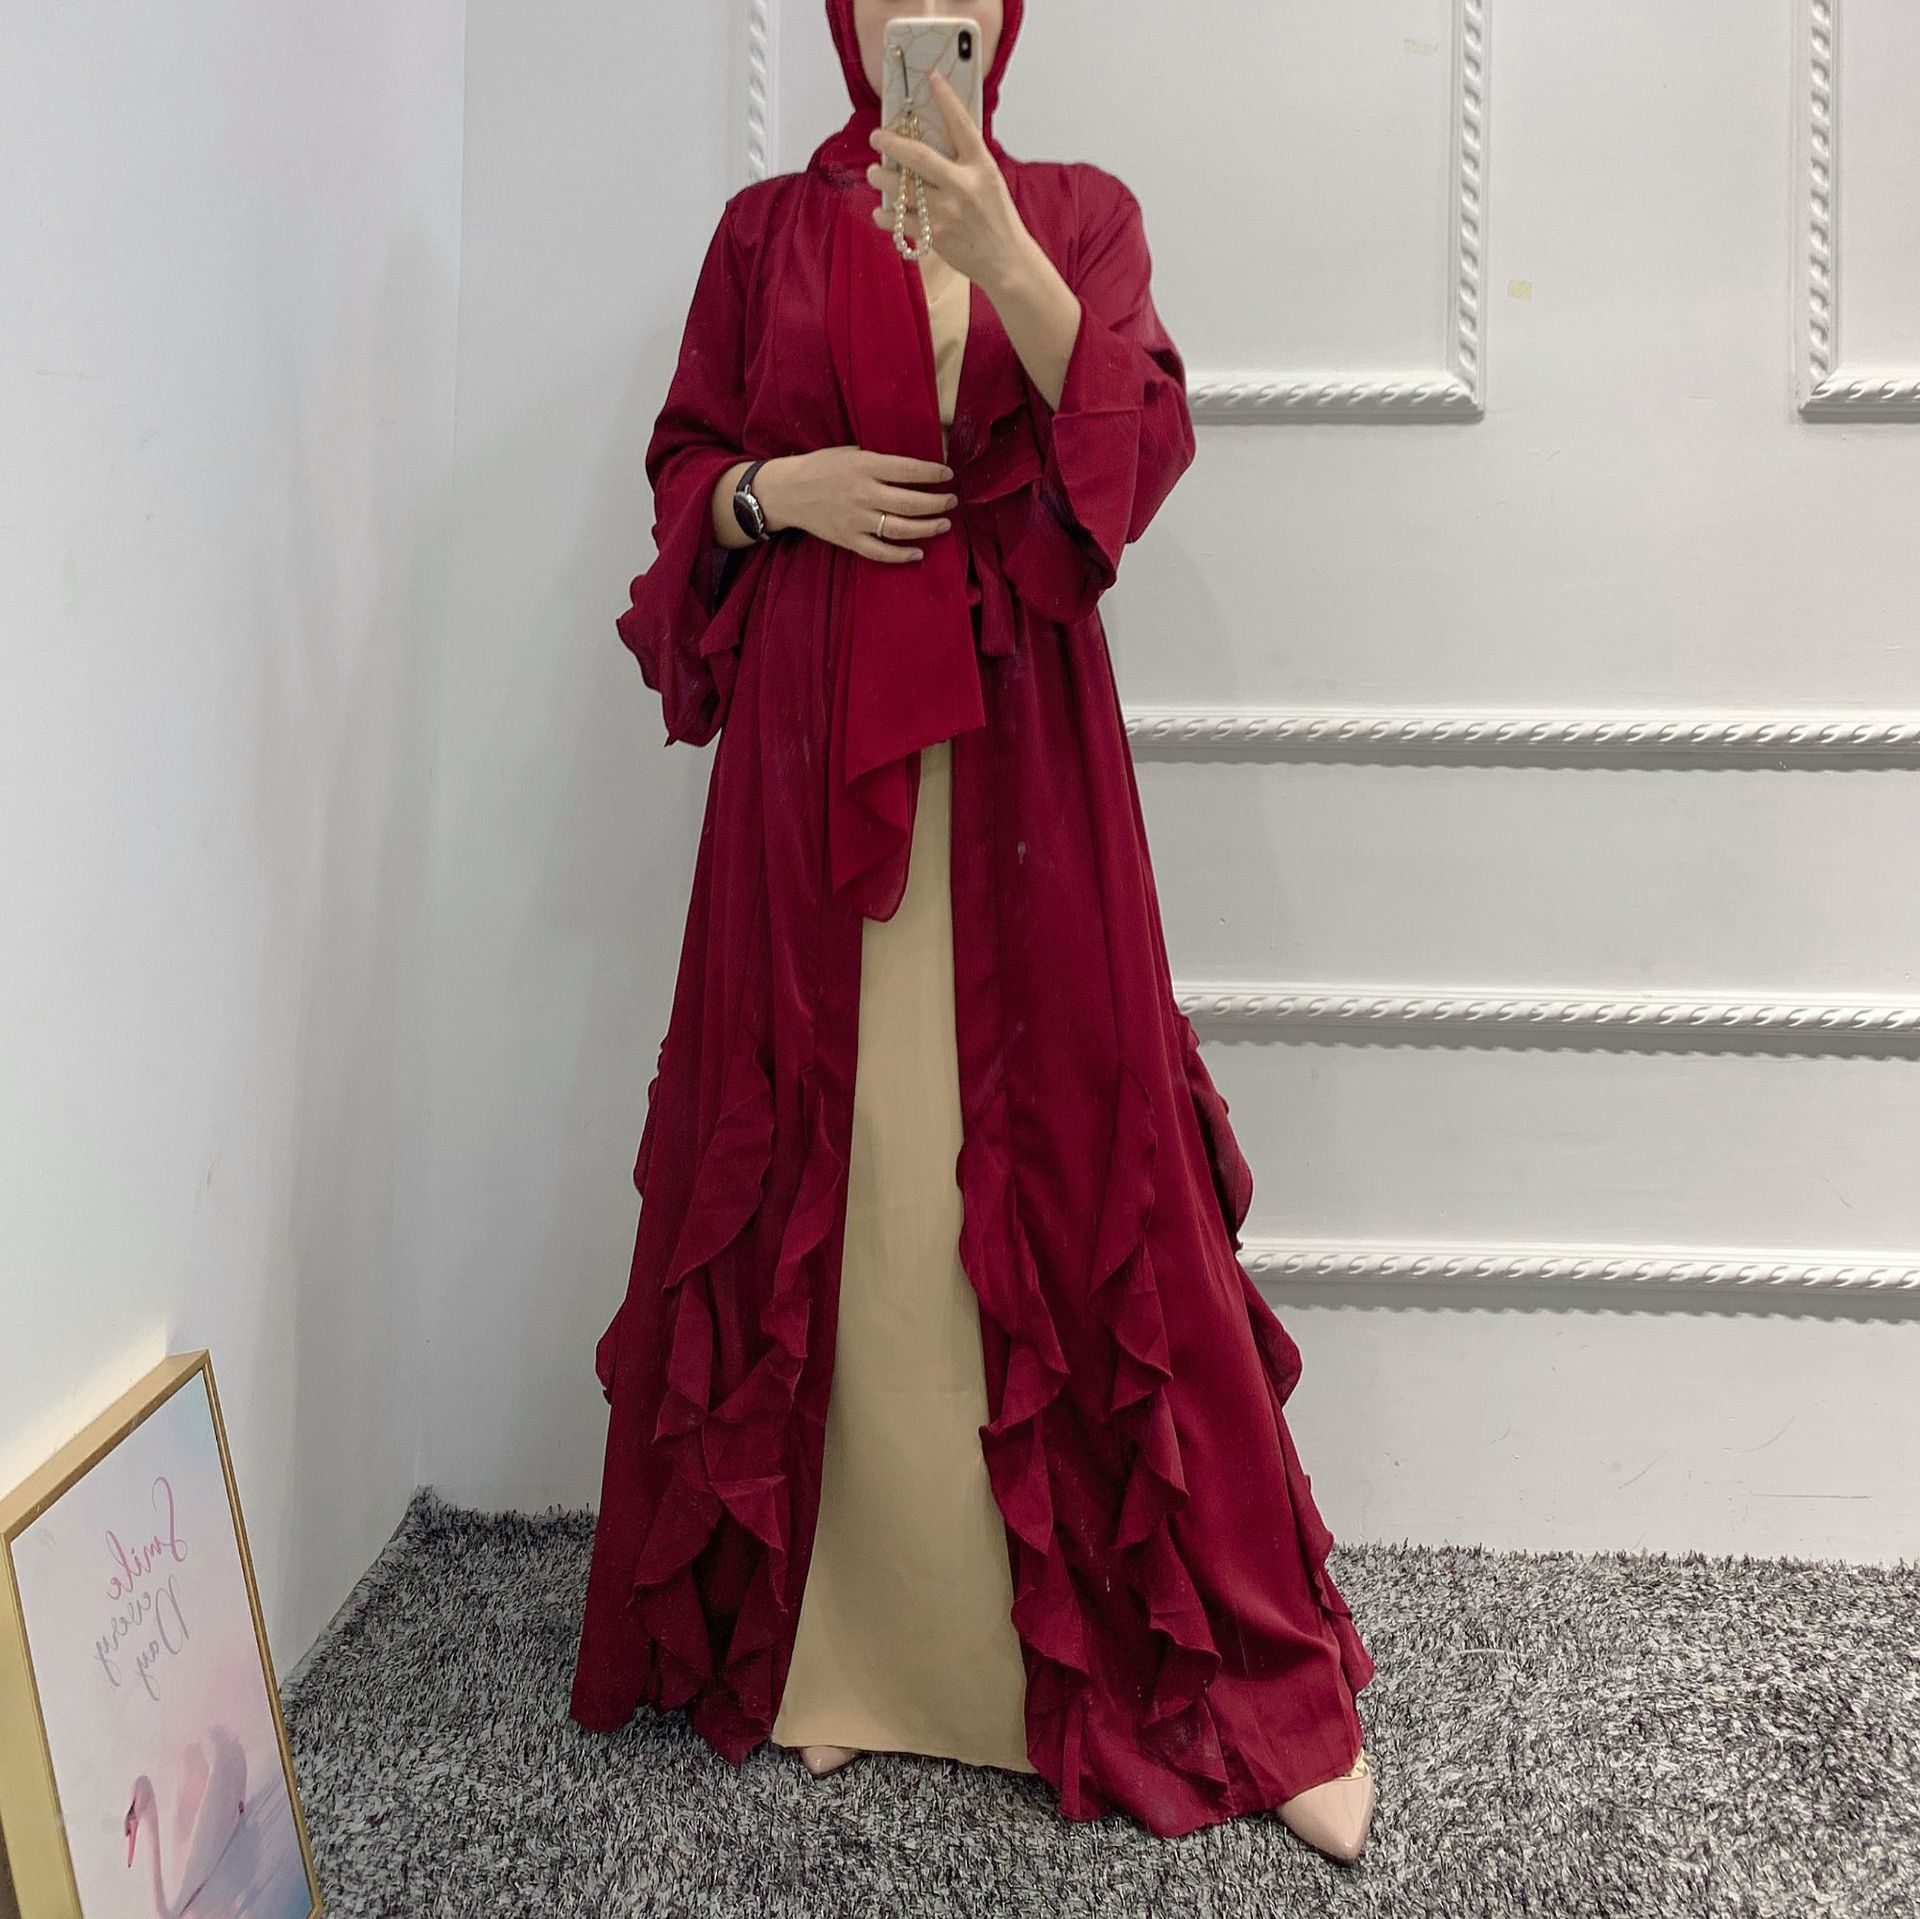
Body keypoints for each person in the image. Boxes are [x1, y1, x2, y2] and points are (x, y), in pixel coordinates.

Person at [570, 0, 1379, 1861]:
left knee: (1059, 1151)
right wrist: (776, 493)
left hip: (1019, 758)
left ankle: (1153, 1663)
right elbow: (687, 467)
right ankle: (836, 1637)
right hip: (809, 754)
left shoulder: (1079, 213)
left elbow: (1133, 446)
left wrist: (1002, 248)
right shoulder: (765, 234)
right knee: (839, 1164)